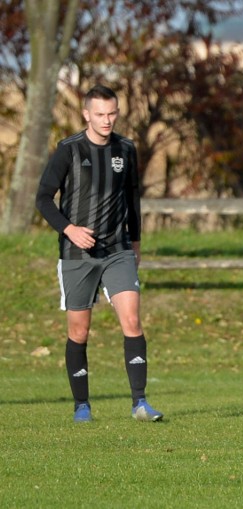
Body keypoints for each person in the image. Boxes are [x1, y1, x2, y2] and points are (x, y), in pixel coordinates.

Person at [34, 85, 163, 423]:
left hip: (117, 249)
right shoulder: (69, 150)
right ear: (86, 114)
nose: (107, 120)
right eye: (101, 114)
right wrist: (69, 229)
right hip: (77, 254)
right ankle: (82, 406)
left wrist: (135, 242)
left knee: (132, 320)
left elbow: (132, 198)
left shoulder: (126, 149)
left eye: (112, 114)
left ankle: (140, 403)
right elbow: (44, 198)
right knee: (79, 331)